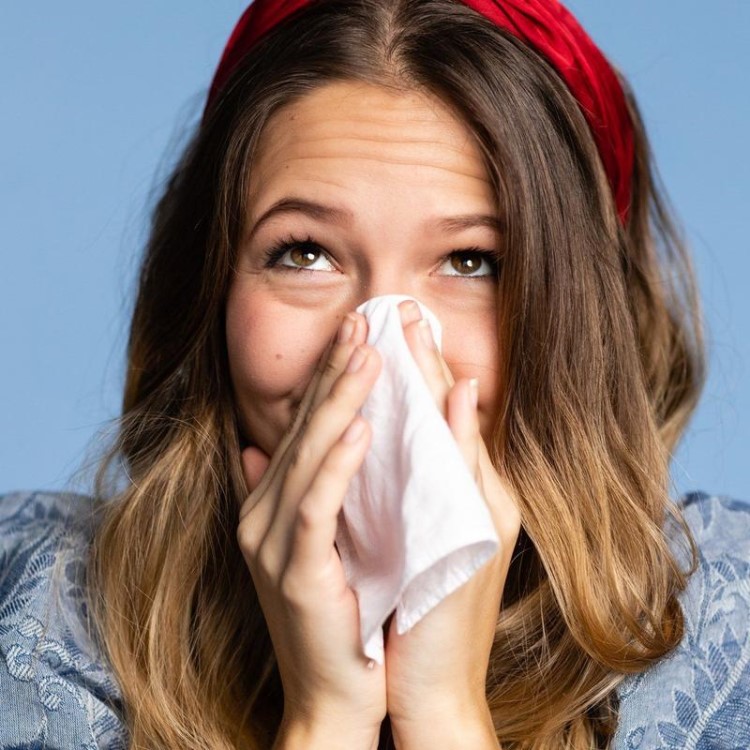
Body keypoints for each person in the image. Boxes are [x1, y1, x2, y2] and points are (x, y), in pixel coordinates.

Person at [1, 0, 749, 747]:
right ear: (210, 293)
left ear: (576, 319)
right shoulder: (42, 623)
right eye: (305, 253)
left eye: (471, 262)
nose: (379, 355)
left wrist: (444, 712)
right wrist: (325, 717)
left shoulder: (727, 640)